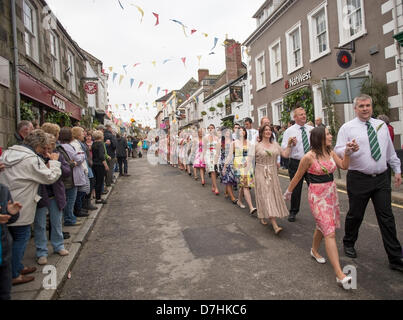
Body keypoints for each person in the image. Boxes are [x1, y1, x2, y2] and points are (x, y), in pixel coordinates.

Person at [334, 94, 403, 272]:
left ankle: (396, 258)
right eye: (361, 106)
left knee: (387, 218)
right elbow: (338, 150)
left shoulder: (381, 126)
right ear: (355, 108)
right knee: (355, 214)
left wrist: (397, 170)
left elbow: (389, 151)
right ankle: (348, 242)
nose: (365, 109)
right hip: (359, 179)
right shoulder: (347, 128)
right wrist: (348, 150)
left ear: (371, 108)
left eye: (367, 106)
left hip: (381, 178)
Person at [284, 126, 357, 288]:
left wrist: (347, 153)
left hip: (331, 193)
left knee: (322, 226)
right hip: (317, 196)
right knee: (329, 232)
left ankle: (314, 250)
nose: (331, 136)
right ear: (319, 138)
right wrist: (288, 192)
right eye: (328, 134)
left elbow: (344, 166)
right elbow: (297, 177)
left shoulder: (330, 153)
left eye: (330, 133)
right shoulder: (308, 157)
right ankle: (339, 274)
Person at [0, 129, 61, 285]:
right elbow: (50, 177)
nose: (45, 150)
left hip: (7, 201)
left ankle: (17, 266)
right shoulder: (31, 159)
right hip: (22, 203)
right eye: (44, 146)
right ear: (38, 145)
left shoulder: (8, 153)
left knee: (11, 238)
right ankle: (14, 274)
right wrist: (54, 162)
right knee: (21, 237)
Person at [34, 132, 69, 266]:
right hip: (40, 195)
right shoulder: (35, 157)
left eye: (49, 148)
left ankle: (58, 246)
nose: (47, 151)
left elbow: (66, 172)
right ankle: (41, 252)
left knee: (56, 222)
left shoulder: (57, 156)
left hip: (55, 194)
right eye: (44, 148)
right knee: (40, 224)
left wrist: (55, 162)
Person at [255, 124, 293, 234]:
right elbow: (250, 159)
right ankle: (275, 225)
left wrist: (290, 145)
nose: (268, 131)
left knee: (272, 195)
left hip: (273, 173)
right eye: (265, 130)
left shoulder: (275, 144)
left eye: (269, 130)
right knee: (266, 195)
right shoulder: (257, 145)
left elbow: (285, 154)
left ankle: (263, 213)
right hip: (261, 172)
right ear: (261, 132)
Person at [281, 106, 314, 222]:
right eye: (301, 114)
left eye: (304, 114)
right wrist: (290, 143)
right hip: (296, 163)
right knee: (296, 188)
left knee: (315, 187)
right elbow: (283, 147)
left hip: (310, 162)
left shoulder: (311, 129)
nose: (304, 116)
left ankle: (319, 210)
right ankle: (293, 211)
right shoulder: (289, 131)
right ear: (295, 117)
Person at [225, 127, 257, 215]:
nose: (241, 132)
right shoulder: (234, 143)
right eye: (240, 131)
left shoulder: (250, 143)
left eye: (243, 130)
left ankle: (239, 200)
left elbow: (252, 155)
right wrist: (225, 166)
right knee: (245, 185)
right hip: (238, 165)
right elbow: (229, 155)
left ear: (245, 132)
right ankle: (251, 207)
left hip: (248, 165)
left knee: (243, 185)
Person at [60, 127, 85, 227]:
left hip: (69, 175)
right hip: (71, 175)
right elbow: (77, 158)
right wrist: (82, 156)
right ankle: (69, 219)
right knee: (70, 199)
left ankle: (70, 217)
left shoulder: (62, 146)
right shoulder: (67, 147)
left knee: (69, 198)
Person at [0, 180, 21, 300]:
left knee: (5, 294)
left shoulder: (3, 189)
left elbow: (9, 219)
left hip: (4, 253)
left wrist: (11, 213)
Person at [71, 127, 90, 218]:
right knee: (83, 189)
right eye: (82, 133)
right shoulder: (75, 144)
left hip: (82, 169)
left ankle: (79, 207)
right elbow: (79, 157)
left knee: (84, 189)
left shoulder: (79, 143)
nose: (84, 134)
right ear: (78, 134)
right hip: (80, 169)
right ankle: (78, 209)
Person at [219, 129, 238, 203]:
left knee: (232, 179)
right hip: (224, 162)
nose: (227, 133)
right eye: (226, 132)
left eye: (228, 132)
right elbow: (218, 153)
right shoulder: (221, 142)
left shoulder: (234, 141)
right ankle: (233, 197)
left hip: (233, 161)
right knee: (228, 180)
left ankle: (227, 191)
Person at [92, 130, 109, 204]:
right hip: (100, 165)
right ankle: (98, 198)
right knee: (100, 181)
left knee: (97, 182)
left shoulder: (93, 144)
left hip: (94, 164)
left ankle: (97, 197)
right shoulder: (100, 144)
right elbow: (101, 156)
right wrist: (105, 165)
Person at [204, 124, 221, 195]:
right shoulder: (205, 138)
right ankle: (216, 187)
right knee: (212, 171)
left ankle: (213, 185)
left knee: (216, 172)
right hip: (209, 155)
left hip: (216, 155)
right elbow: (204, 148)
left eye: (212, 128)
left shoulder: (217, 138)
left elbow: (218, 148)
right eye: (209, 128)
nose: (210, 129)